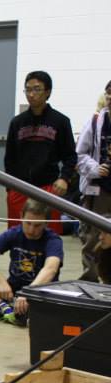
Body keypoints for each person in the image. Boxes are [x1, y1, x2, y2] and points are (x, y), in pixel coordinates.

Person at [0, 200, 62, 326]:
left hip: (38, 295)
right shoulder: (14, 233)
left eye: (37, 225)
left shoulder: (53, 240)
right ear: (21, 216)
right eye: (27, 223)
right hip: (12, 292)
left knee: (47, 315)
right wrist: (0, 281)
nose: (31, 229)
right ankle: (5, 309)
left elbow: (50, 269)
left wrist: (28, 293)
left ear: (46, 223)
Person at [4, 71, 76, 233]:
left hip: (48, 189)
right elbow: (10, 158)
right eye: (28, 89)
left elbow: (70, 156)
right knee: (17, 236)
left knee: (48, 237)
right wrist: (10, 188)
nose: (31, 94)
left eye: (37, 89)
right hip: (19, 188)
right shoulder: (17, 122)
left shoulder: (61, 121)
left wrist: (64, 178)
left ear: (48, 91)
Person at [75, 79, 111, 282]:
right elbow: (79, 155)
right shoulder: (96, 121)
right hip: (99, 191)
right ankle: (90, 280)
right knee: (93, 238)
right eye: (108, 93)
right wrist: (95, 169)